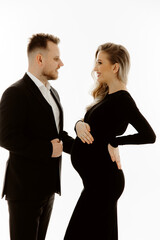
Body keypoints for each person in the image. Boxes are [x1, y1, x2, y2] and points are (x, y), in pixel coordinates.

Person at [64, 42, 156, 240]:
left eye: (99, 62)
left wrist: (115, 142)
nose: (95, 68)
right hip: (96, 182)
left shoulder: (123, 99)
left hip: (103, 183)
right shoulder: (107, 97)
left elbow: (149, 135)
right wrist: (78, 124)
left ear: (115, 67)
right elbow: (91, 135)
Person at [0, 33, 74, 240]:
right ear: (39, 59)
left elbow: (59, 136)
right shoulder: (15, 92)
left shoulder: (53, 93)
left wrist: (92, 147)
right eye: (56, 58)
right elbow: (6, 137)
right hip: (24, 191)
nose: (61, 64)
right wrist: (47, 150)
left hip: (47, 190)